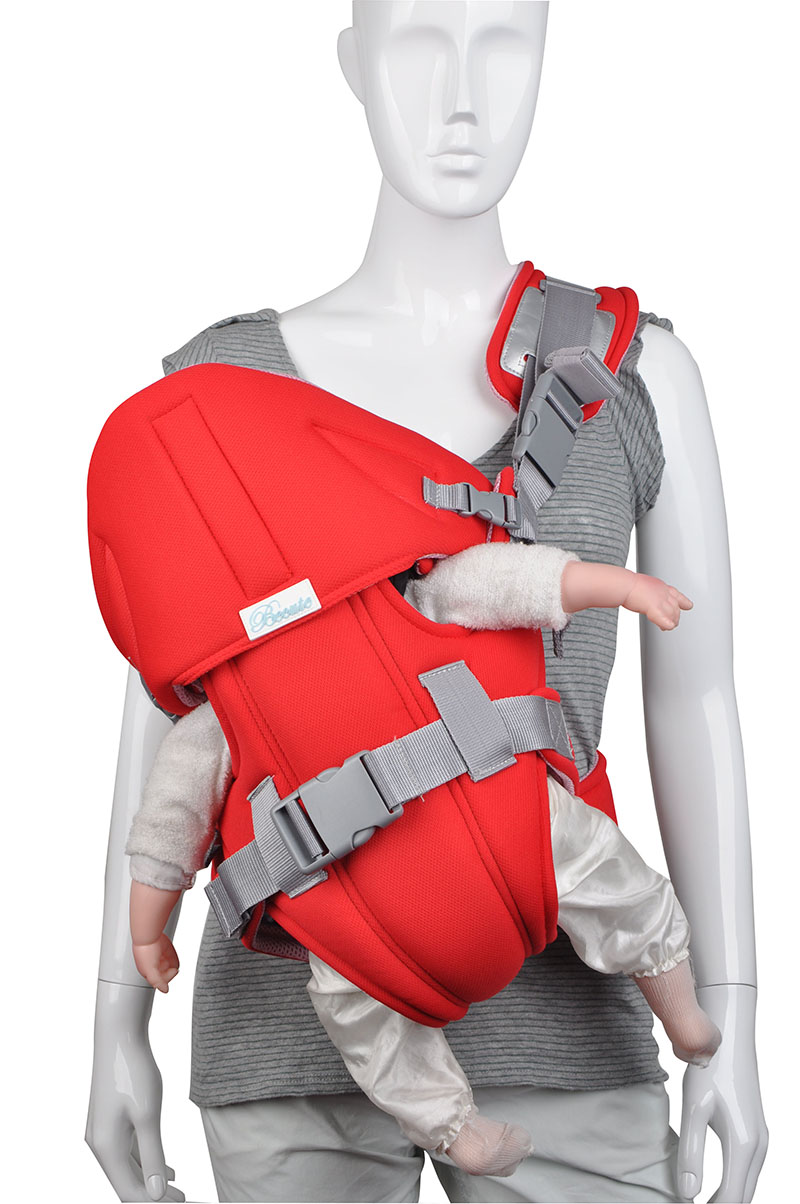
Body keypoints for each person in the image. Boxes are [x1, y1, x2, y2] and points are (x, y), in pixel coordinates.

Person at [86, 4, 767, 1202]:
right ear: (352, 62)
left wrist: (731, 1017)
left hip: (571, 1030)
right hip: (288, 1035)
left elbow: (695, 705)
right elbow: (169, 727)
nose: (461, 93)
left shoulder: (632, 371)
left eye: (503, 40)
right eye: (415, 40)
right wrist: (112, 1018)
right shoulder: (212, 395)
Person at [126, 543, 721, 1180]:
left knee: (591, 865)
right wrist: (619, 588)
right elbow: (169, 819)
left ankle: (679, 1009)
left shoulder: (397, 593)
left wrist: (146, 931)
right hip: (383, 888)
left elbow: (169, 821)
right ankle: (459, 1129)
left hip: (455, 841)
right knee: (362, 1000)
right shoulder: (239, 696)